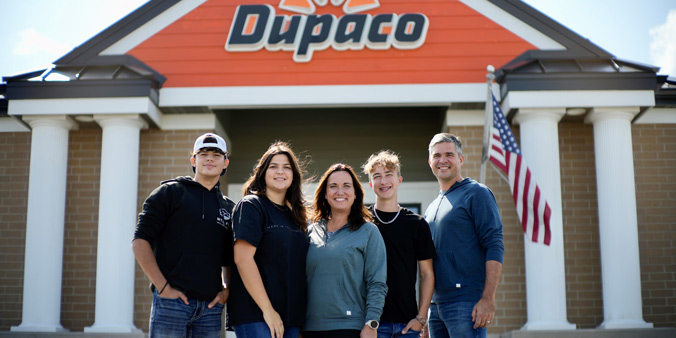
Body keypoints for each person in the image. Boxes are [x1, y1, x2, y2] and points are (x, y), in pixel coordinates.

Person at [132, 133, 234, 338]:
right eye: (203, 153)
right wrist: (163, 288)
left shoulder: (229, 208)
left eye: (216, 154)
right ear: (193, 160)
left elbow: (230, 259)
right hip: (171, 303)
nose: (210, 158)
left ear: (225, 163)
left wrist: (226, 291)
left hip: (210, 309)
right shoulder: (169, 193)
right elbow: (139, 242)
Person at [424, 133, 504, 338]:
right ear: (430, 161)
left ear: (460, 159)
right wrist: (423, 312)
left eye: (449, 154)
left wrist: (488, 298)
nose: (442, 160)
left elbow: (494, 245)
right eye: (437, 155)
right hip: (436, 307)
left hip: (466, 303)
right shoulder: (433, 206)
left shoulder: (477, 193)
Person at [227, 142, 309, 338]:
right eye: (273, 166)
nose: (280, 172)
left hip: (291, 318)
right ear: (262, 173)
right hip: (257, 314)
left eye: (286, 167)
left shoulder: (296, 216)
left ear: (293, 175)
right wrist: (268, 310)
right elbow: (243, 259)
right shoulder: (252, 206)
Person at [304, 163, 388, 338]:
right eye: (333, 186)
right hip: (310, 328)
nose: (339, 192)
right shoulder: (310, 231)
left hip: (350, 327)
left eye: (346, 186)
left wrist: (371, 323)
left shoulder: (368, 231)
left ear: (356, 194)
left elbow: (377, 283)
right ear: (325, 194)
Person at [362, 150, 436, 338]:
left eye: (388, 174)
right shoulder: (362, 223)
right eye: (377, 176)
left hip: (407, 326)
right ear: (371, 184)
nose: (383, 181)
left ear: (399, 180)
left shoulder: (416, 224)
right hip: (372, 325)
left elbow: (427, 274)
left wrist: (421, 318)